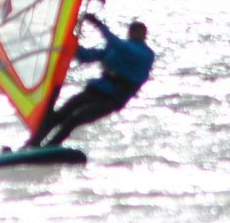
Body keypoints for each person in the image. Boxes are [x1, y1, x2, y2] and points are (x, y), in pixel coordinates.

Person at [29, 13, 154, 149]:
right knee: (60, 114)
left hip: (112, 99)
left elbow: (122, 48)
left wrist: (99, 25)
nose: (136, 34)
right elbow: (87, 56)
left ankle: (50, 147)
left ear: (144, 34)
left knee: (75, 119)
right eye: (134, 31)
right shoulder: (114, 48)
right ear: (129, 32)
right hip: (95, 91)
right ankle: (32, 145)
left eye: (140, 32)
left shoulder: (145, 54)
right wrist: (68, 43)